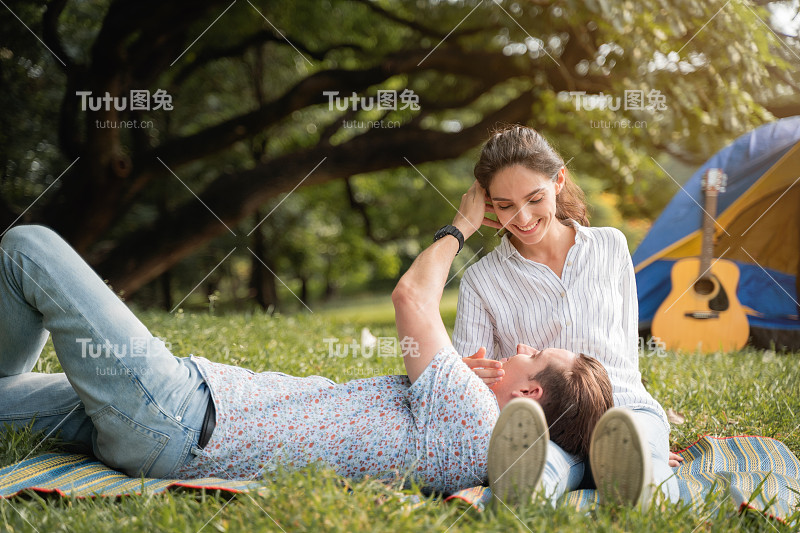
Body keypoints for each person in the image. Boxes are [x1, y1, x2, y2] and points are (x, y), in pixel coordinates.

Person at [0, 218, 612, 495]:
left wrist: (461, 224)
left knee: (29, 247)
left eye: (536, 357)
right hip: (176, 422)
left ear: (529, 396)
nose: (523, 348)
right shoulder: (478, 435)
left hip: (177, 414)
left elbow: (410, 298)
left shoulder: (476, 418)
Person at [451, 124, 681, 507]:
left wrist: (647, 441)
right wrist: (469, 373)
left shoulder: (611, 245)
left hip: (622, 408)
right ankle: (526, 495)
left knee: (643, 457)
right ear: (488, 204)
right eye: (505, 205)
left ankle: (647, 478)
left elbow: (625, 354)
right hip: (544, 422)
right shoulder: (480, 279)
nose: (522, 218)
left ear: (558, 180)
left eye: (534, 198)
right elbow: (467, 381)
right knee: (538, 466)